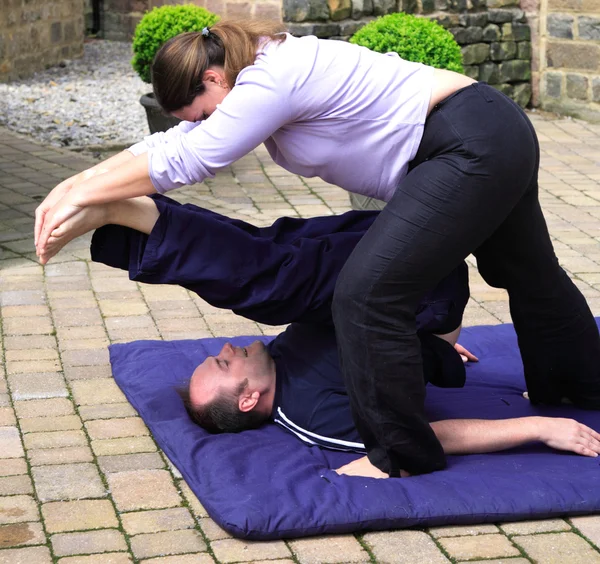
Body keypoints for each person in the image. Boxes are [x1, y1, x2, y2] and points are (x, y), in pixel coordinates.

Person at [34, 20, 600, 478]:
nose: (207, 125)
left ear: (214, 78)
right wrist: (74, 185)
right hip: (484, 133)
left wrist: (83, 193)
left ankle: (400, 455)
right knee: (528, 273)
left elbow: (193, 159)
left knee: (366, 294)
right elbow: (175, 143)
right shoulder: (254, 70)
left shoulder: (270, 77)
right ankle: (577, 385)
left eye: (205, 113)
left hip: (467, 145)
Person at [51, 193, 600, 479]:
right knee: (266, 278)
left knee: (273, 251)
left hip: (395, 285)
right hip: (424, 286)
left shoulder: (282, 358)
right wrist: (538, 427)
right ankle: (128, 216)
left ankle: (141, 217)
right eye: (222, 364)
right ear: (248, 398)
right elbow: (417, 440)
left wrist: (423, 351)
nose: (223, 348)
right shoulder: (316, 415)